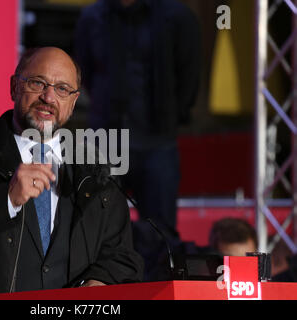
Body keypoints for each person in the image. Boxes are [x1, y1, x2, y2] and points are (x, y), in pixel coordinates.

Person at [0, 47, 144, 299]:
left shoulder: (96, 169)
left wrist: (99, 281)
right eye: (37, 83)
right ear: (14, 87)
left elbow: (121, 256)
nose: (48, 97)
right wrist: (6, 199)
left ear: (73, 102)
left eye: (62, 89)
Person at [74, 0, 201, 281]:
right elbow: (85, 73)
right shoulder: (92, 16)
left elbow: (189, 72)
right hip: (105, 139)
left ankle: (156, 292)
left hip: (157, 140)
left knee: (160, 232)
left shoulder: (176, 15)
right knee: (92, 226)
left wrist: (171, 116)